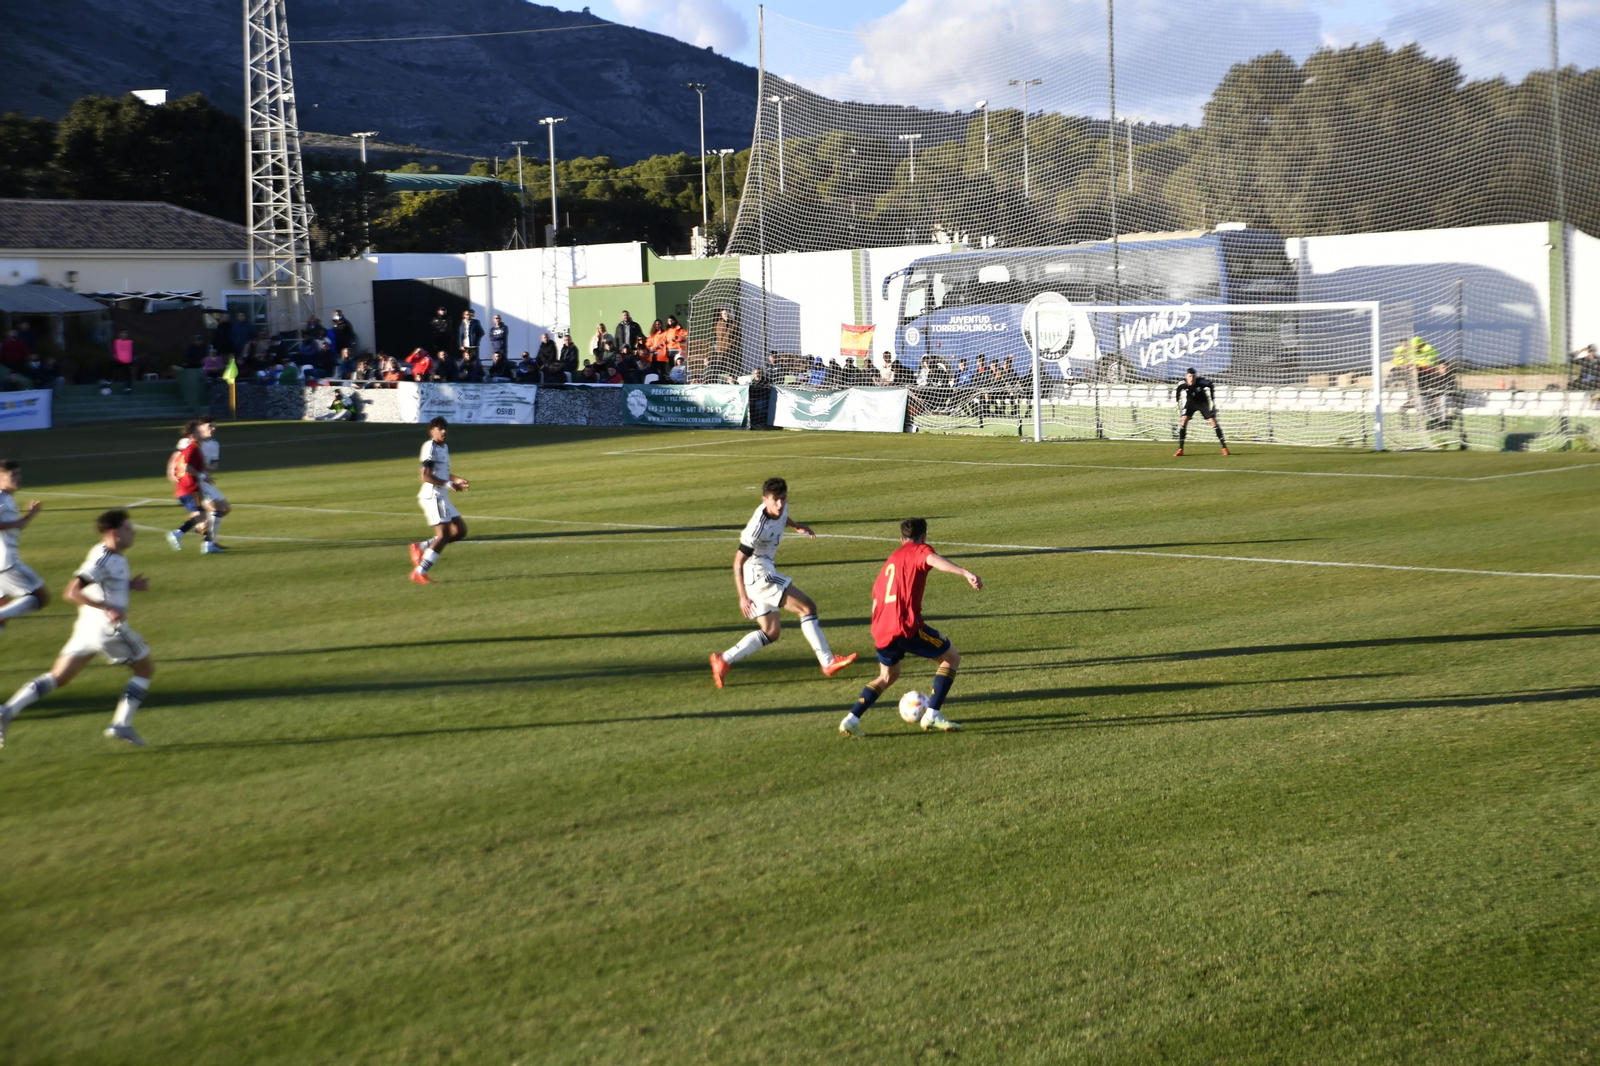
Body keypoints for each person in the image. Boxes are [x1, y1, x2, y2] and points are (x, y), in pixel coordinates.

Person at [0, 509, 156, 748]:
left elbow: (104, 583)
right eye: (127, 529)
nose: (132, 532)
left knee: (58, 677)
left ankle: (8, 710)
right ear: (114, 533)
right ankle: (121, 724)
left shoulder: (109, 554)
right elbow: (71, 592)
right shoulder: (103, 558)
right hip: (107, 629)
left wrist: (129, 584)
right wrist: (107, 608)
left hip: (87, 629)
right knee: (145, 669)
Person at [839, 517, 981, 738]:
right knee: (951, 658)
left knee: (888, 675)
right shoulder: (919, 550)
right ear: (923, 537)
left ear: (901, 539)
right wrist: (965, 573)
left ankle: (851, 719)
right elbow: (932, 559)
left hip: (881, 629)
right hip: (906, 627)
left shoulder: (891, 560)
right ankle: (932, 714)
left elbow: (876, 599)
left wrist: (879, 627)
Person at [709, 477, 858, 688]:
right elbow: (737, 562)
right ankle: (827, 661)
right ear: (765, 500)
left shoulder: (782, 507)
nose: (780, 504)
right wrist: (742, 597)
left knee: (771, 631)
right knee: (807, 607)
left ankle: (724, 660)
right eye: (775, 500)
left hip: (762, 573)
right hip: (759, 574)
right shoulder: (756, 529)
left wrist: (797, 526)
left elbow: (783, 516)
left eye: (783, 498)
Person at [409, 417, 470, 584]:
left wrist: (457, 480)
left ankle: (421, 547)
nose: (443, 431)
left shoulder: (445, 447)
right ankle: (419, 572)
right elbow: (425, 475)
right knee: (442, 536)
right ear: (432, 431)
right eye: (439, 428)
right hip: (433, 496)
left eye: (445, 428)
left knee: (460, 531)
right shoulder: (430, 447)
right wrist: (449, 483)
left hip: (442, 495)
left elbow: (442, 474)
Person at [0, 460, 50, 638]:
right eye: (12, 475)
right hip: (7, 561)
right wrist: (21, 521)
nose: (18, 479)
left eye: (18, 474)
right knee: (41, 597)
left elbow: (16, 526)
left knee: (4, 604)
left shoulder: (7, 499)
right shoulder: (1, 498)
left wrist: (29, 516)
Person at [165, 420, 222, 554]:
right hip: (190, 488)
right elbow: (187, 467)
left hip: (187, 489)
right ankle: (178, 533)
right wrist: (203, 476)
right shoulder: (192, 448)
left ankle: (207, 545)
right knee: (204, 517)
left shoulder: (194, 447)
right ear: (193, 435)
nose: (201, 432)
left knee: (203, 517)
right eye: (198, 431)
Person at [188, 417, 230, 549]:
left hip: (205, 481)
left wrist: (204, 466)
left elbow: (214, 466)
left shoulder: (214, 444)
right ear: (200, 427)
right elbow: (185, 465)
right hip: (194, 483)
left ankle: (201, 527)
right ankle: (210, 543)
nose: (213, 429)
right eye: (209, 426)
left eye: (214, 427)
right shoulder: (191, 442)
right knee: (216, 509)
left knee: (225, 509)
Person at [1173, 367, 1230, 457]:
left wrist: (1212, 401)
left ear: (1195, 377)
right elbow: (1178, 390)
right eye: (1189, 376)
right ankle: (1180, 449)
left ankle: (1224, 448)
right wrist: (1177, 403)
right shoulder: (1182, 383)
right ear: (1186, 376)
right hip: (1190, 403)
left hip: (1202, 403)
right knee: (1183, 421)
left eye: (1193, 376)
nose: (1191, 378)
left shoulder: (1200, 382)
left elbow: (1211, 385)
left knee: (1213, 421)